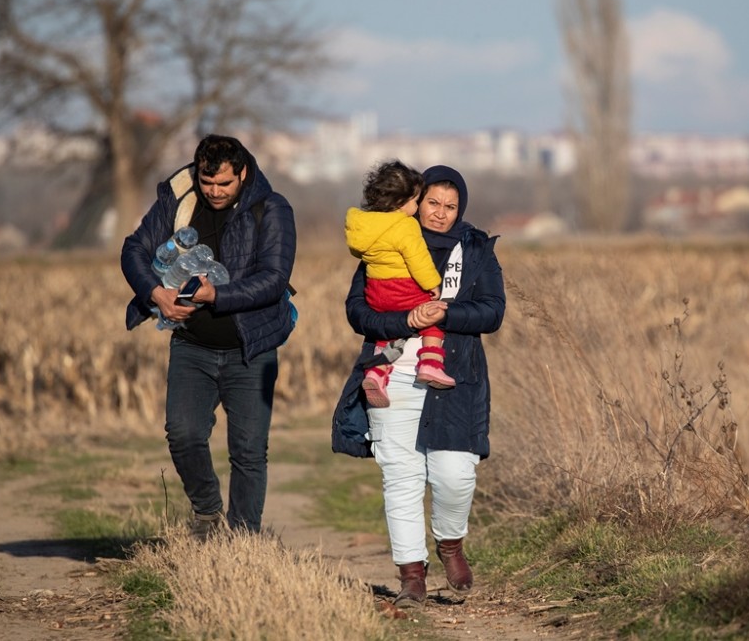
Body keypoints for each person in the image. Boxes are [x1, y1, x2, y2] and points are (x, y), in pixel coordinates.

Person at [332, 165, 506, 607]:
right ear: (417, 200)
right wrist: (406, 321)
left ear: (460, 208)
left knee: (454, 473)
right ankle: (412, 575)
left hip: (454, 374)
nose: (441, 214)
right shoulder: (384, 239)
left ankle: (450, 543)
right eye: (433, 203)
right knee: (401, 475)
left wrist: (444, 314)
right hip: (391, 373)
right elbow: (358, 312)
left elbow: (492, 312)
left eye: (450, 206)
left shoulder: (477, 250)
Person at [121, 134, 296, 539]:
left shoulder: (272, 209)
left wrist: (216, 293)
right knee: (182, 435)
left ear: (244, 174)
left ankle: (244, 541)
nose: (215, 192)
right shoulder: (177, 201)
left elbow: (273, 279)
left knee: (249, 451)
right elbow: (133, 250)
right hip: (191, 345)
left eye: (225, 184)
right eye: (207, 182)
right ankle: (208, 511)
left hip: (253, 349)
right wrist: (156, 293)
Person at [344, 160, 456, 409]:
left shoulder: (362, 225)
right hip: (403, 289)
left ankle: (377, 372)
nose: (416, 207)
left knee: (386, 335)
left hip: (376, 292)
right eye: (417, 201)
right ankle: (431, 363)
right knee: (432, 317)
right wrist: (433, 285)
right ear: (400, 202)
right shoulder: (405, 225)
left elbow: (359, 254)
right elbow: (417, 259)